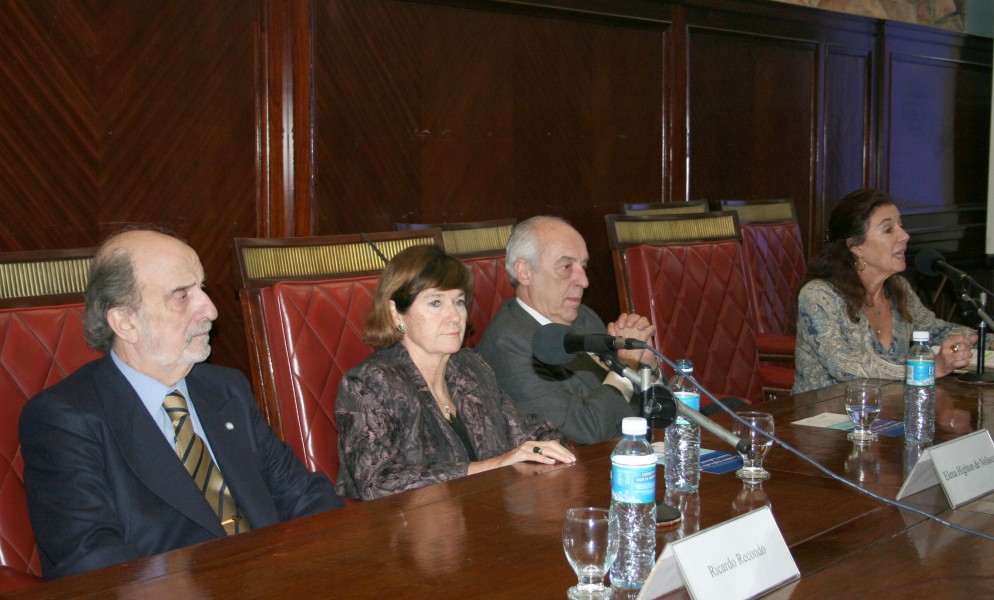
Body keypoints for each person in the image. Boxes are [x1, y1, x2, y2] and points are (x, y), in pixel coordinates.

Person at [18, 227, 344, 580]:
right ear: (126, 321)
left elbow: (302, 497)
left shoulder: (226, 389)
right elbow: (92, 560)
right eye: (181, 295)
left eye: (201, 288)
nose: (212, 309)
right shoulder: (64, 419)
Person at [335, 244, 574, 500]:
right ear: (396, 314)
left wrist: (550, 448)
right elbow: (375, 482)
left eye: (458, 302)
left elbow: (529, 431)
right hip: (409, 532)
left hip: (485, 517)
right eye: (436, 302)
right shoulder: (369, 383)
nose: (454, 316)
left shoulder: (469, 367)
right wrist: (491, 466)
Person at [476, 216, 657, 444]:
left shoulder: (583, 317)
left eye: (583, 266)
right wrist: (627, 364)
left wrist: (646, 366)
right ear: (524, 272)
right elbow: (586, 430)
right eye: (566, 267)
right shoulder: (508, 344)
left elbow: (635, 408)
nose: (584, 281)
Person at [793, 188, 977, 393]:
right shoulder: (819, 296)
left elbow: (935, 331)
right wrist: (927, 369)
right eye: (889, 230)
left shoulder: (898, 289)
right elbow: (845, 365)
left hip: (886, 416)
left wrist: (983, 340)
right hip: (822, 419)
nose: (905, 236)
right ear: (856, 246)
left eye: (901, 226)